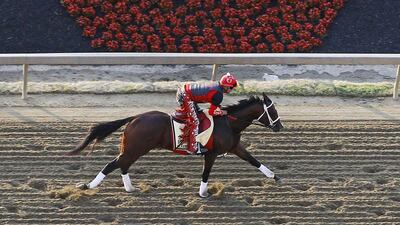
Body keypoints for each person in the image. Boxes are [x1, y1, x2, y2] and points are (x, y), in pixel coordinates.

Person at [175, 72, 238, 154]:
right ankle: (192, 147)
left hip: (185, 92)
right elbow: (212, 112)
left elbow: (214, 106)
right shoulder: (218, 95)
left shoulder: (217, 86)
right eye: (231, 87)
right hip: (185, 96)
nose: (232, 89)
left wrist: (219, 110)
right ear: (226, 86)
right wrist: (222, 112)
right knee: (195, 121)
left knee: (199, 114)